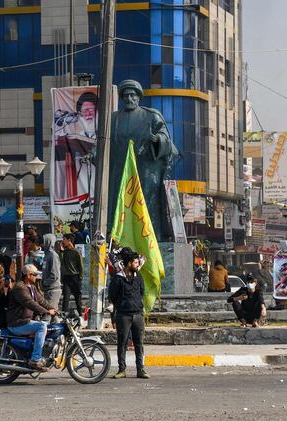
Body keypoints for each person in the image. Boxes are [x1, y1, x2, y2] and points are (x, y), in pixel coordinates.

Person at [108, 79, 178, 238]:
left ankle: (151, 237)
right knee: (119, 204)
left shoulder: (152, 116)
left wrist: (157, 140)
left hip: (146, 171)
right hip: (120, 170)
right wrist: (92, 154)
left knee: (147, 206)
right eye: (125, 96)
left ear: (138, 97)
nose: (129, 99)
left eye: (132, 95)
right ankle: (117, 237)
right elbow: (103, 144)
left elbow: (167, 140)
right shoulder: (113, 119)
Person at [6, 264, 57, 371]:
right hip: (17, 323)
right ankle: (35, 359)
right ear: (28, 275)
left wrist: (55, 310)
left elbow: (41, 301)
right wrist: (47, 312)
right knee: (42, 326)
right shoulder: (20, 287)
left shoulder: (32, 287)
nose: (36, 277)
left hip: (25, 321)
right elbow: (30, 303)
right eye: (34, 275)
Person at [109, 248, 149, 379]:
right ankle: (122, 369)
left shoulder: (139, 277)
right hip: (123, 315)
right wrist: (121, 305)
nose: (137, 265)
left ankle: (140, 369)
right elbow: (112, 296)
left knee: (139, 343)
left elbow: (142, 292)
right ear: (128, 264)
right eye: (135, 263)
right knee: (122, 342)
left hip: (138, 315)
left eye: (138, 262)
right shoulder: (118, 279)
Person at [60, 233, 84, 316]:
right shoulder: (65, 252)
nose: (63, 241)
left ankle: (80, 315)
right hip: (67, 278)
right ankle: (64, 316)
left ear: (69, 240)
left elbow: (80, 265)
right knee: (66, 298)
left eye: (64, 239)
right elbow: (62, 262)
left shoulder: (76, 252)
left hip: (75, 277)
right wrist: (61, 251)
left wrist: (80, 277)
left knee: (78, 298)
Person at [40, 234, 62, 320]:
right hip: (48, 289)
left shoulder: (53, 255)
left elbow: (54, 275)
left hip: (53, 289)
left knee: (47, 315)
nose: (42, 244)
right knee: (53, 315)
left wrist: (45, 282)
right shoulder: (46, 255)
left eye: (44, 241)